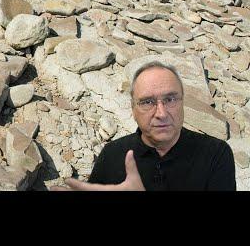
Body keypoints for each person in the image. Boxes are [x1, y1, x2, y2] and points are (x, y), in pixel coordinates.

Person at [51, 61, 236, 191]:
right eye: (148, 102)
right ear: (133, 109)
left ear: (182, 102)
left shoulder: (215, 153)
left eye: (170, 99)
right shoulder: (112, 155)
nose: (161, 113)